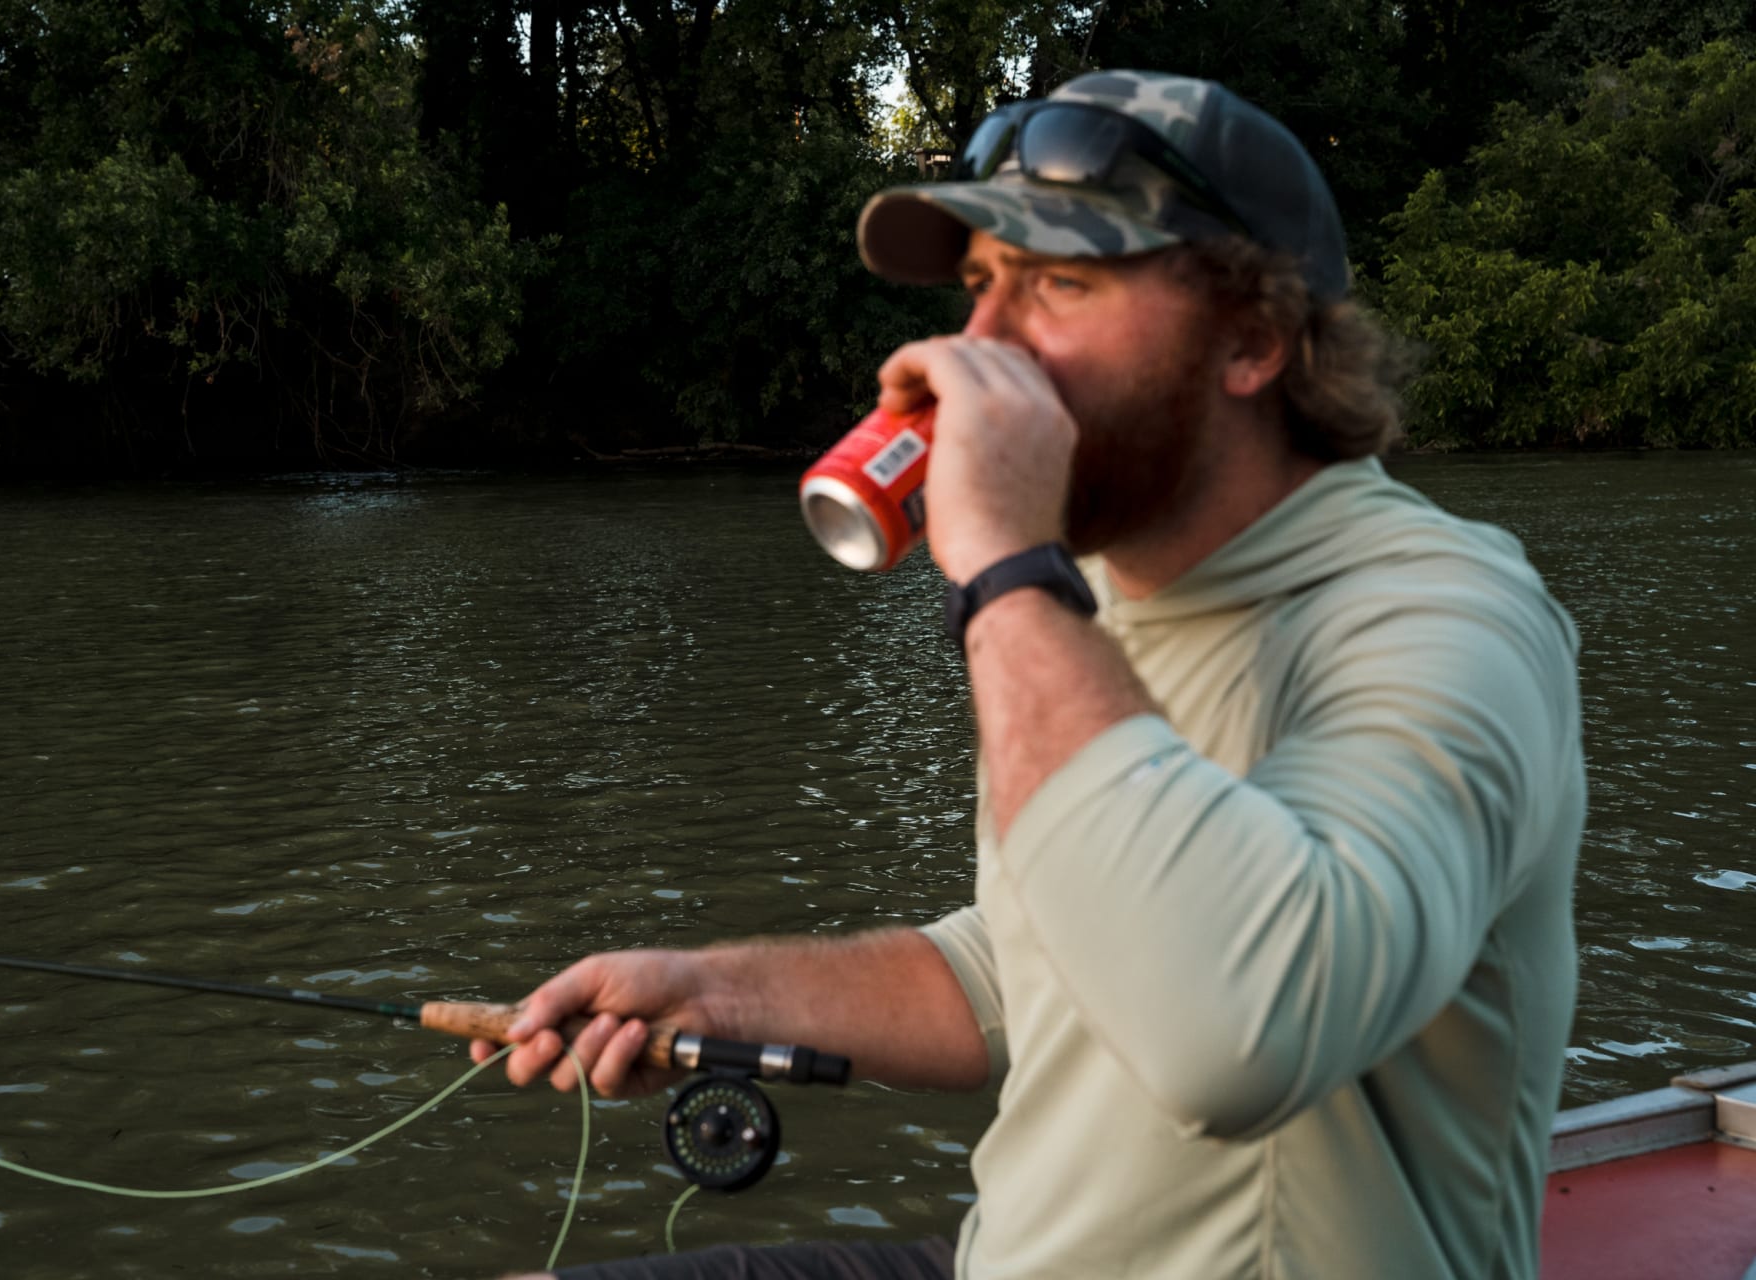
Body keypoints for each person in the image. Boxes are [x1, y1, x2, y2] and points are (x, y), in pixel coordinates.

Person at [479, 69, 1586, 1280]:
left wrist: (1002, 565)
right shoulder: (1092, 600)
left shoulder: (1446, 618)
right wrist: (719, 992)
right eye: (978, 288)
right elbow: (1024, 964)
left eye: (1061, 283)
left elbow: (1240, 1033)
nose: (980, 346)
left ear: (1255, 339)